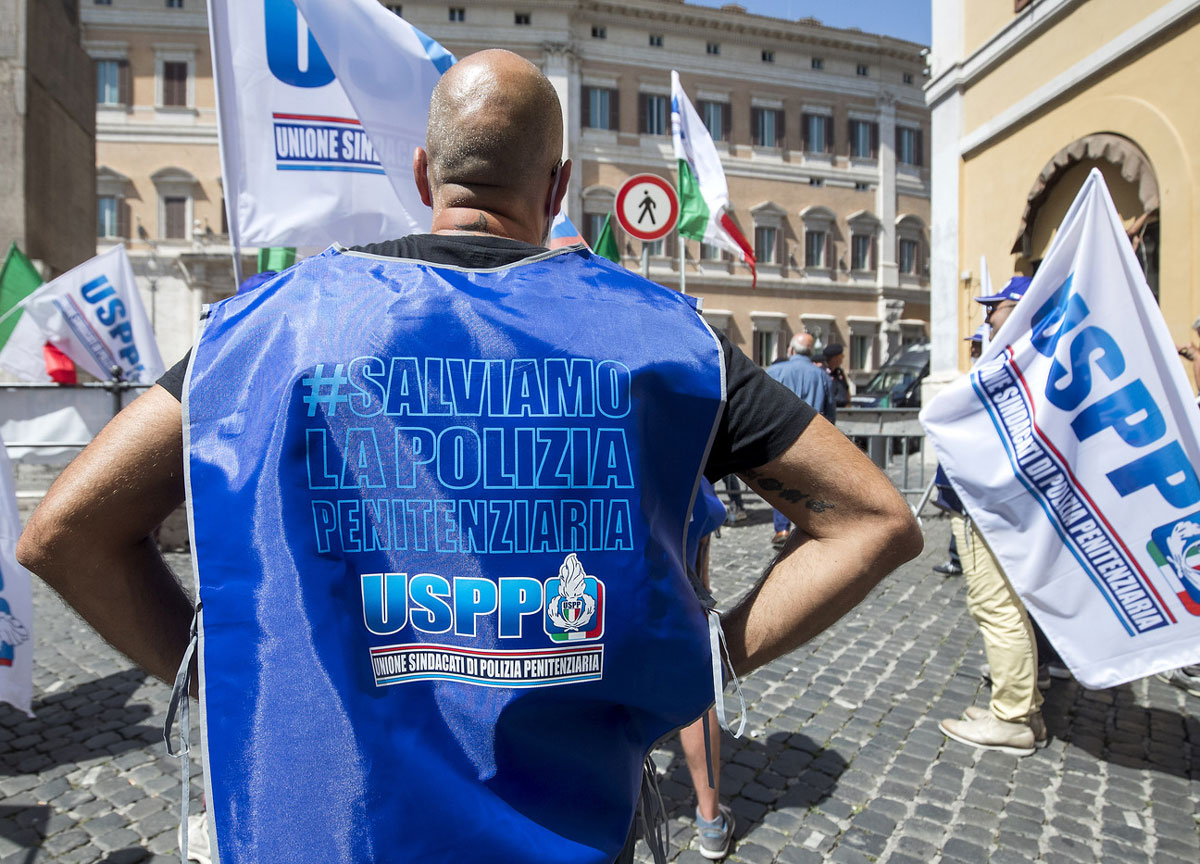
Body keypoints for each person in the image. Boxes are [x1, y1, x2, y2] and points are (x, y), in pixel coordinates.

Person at [17, 50, 921, 864]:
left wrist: (241, 685)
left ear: (422, 173)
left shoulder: (272, 324)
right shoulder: (660, 338)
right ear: (559, 185)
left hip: (325, 831)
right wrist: (704, 654)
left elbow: (64, 531)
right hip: (569, 828)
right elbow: (875, 518)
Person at [938, 276, 1047, 756]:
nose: (986, 317)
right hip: (988, 503)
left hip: (986, 506)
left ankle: (1013, 718)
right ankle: (1024, 707)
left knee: (997, 609)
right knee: (1008, 609)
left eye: (996, 308)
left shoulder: (1021, 363)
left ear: (1020, 308)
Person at [764, 333, 836, 547]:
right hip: (812, 438)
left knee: (780, 485)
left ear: (791, 350)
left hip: (779, 437)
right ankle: (806, 530)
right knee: (808, 485)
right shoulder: (822, 376)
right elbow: (831, 413)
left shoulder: (775, 371)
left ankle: (782, 529)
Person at [822, 343, 851, 408]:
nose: (843, 357)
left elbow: (846, 389)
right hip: (830, 409)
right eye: (841, 356)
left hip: (843, 409)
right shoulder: (823, 373)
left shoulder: (839, 372)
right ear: (835, 358)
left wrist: (848, 404)